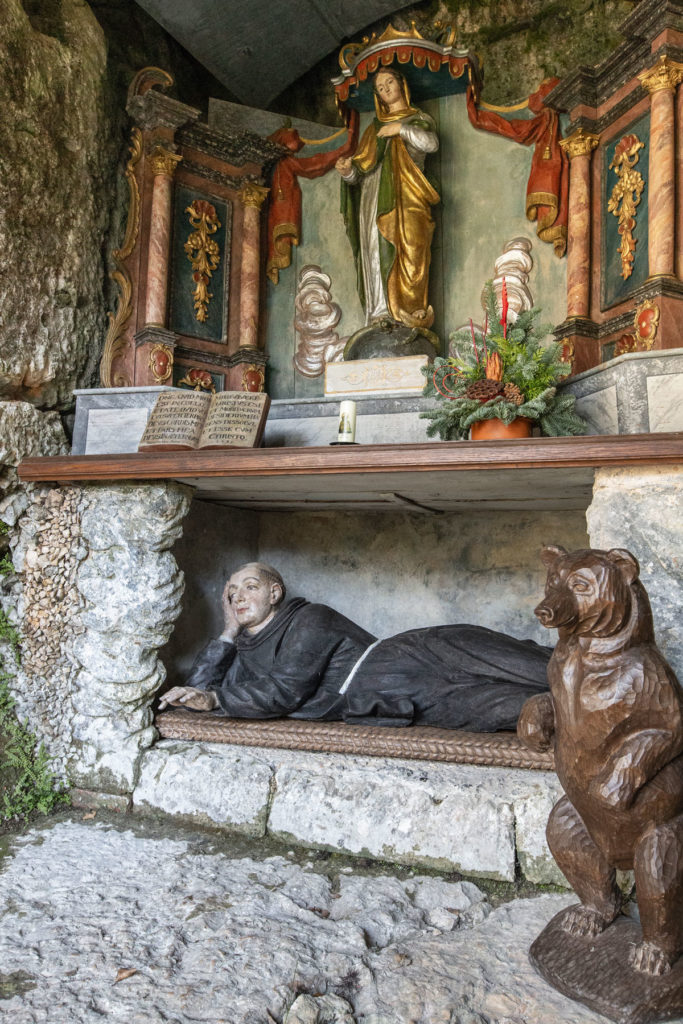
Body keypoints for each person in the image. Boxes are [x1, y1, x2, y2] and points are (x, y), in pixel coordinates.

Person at [159, 562, 552, 732]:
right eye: (231, 592)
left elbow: (283, 691)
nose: (238, 596)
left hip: (409, 656)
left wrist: (216, 701)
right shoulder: (246, 650)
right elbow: (195, 689)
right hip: (389, 700)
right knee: (507, 708)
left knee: (537, 667)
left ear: (275, 592)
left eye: (250, 586)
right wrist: (228, 633)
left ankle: (602, 669)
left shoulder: (310, 618)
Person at [336, 67, 440, 330]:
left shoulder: (418, 119)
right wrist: (348, 171)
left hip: (410, 196)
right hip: (374, 200)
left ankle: (411, 313)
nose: (385, 90)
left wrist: (400, 129)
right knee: (374, 247)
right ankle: (380, 312)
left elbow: (431, 144)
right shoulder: (373, 131)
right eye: (380, 88)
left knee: (413, 251)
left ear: (401, 83)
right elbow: (359, 171)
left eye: (389, 83)